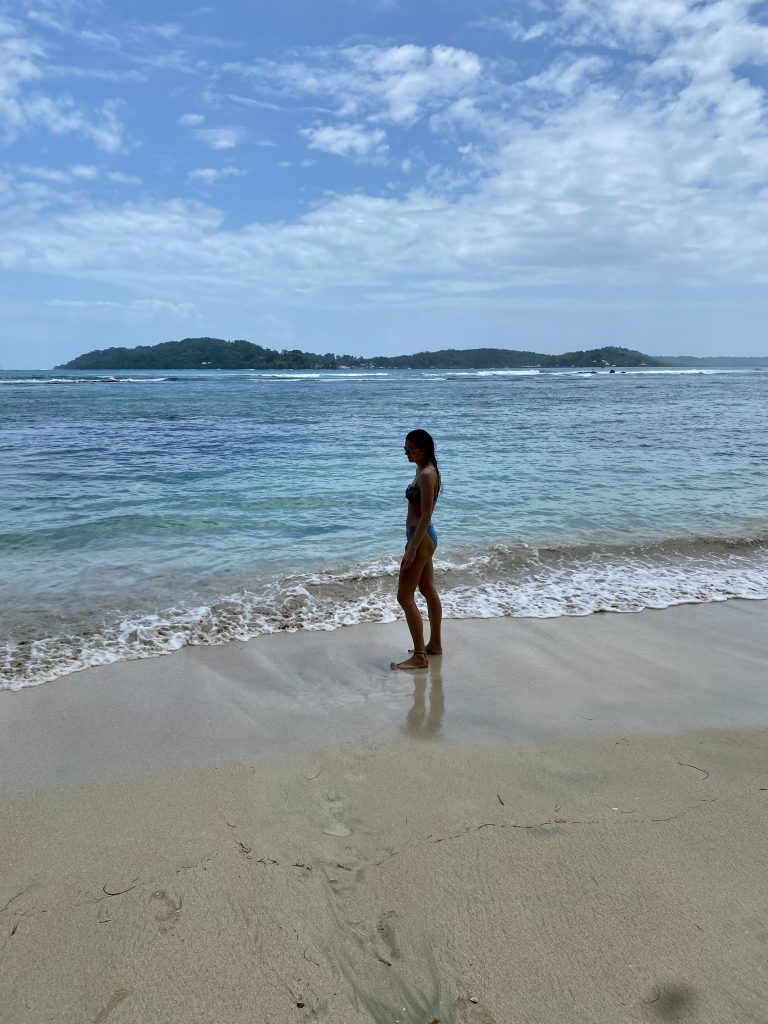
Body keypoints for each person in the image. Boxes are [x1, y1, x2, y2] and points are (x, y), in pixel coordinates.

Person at [393, 429, 443, 670]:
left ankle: (420, 656)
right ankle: (434, 644)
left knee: (404, 596)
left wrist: (411, 548)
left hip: (420, 538)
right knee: (427, 588)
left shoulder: (426, 474)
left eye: (410, 449)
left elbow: (425, 516)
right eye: (404, 449)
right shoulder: (423, 469)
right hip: (420, 537)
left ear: (424, 449)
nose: (406, 453)